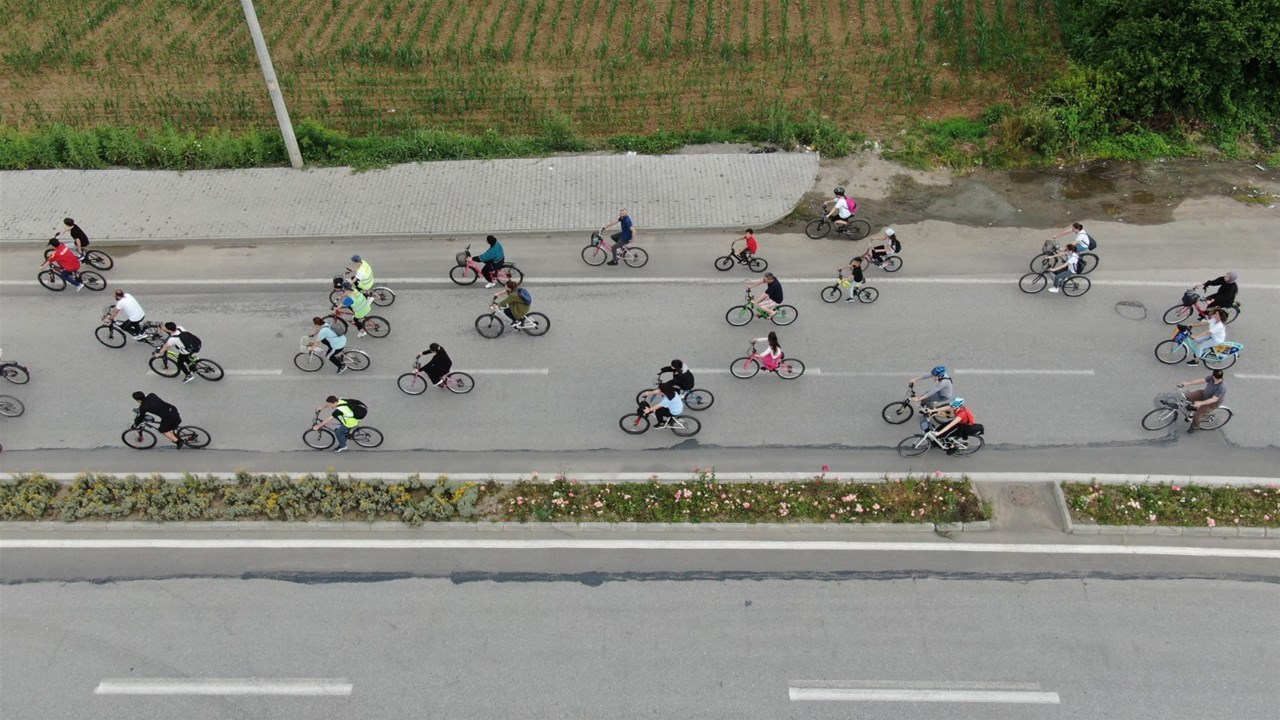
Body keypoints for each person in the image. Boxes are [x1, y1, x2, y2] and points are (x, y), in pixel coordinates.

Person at [1178, 369, 1226, 433]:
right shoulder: (1211, 378)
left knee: (1196, 415)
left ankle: (1195, 426)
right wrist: (1188, 383)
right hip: (1204, 394)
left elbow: (1214, 399)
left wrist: (1200, 403)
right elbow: (1201, 381)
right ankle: (1194, 407)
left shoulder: (1221, 387)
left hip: (1212, 403)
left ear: (1214, 375)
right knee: (1188, 397)